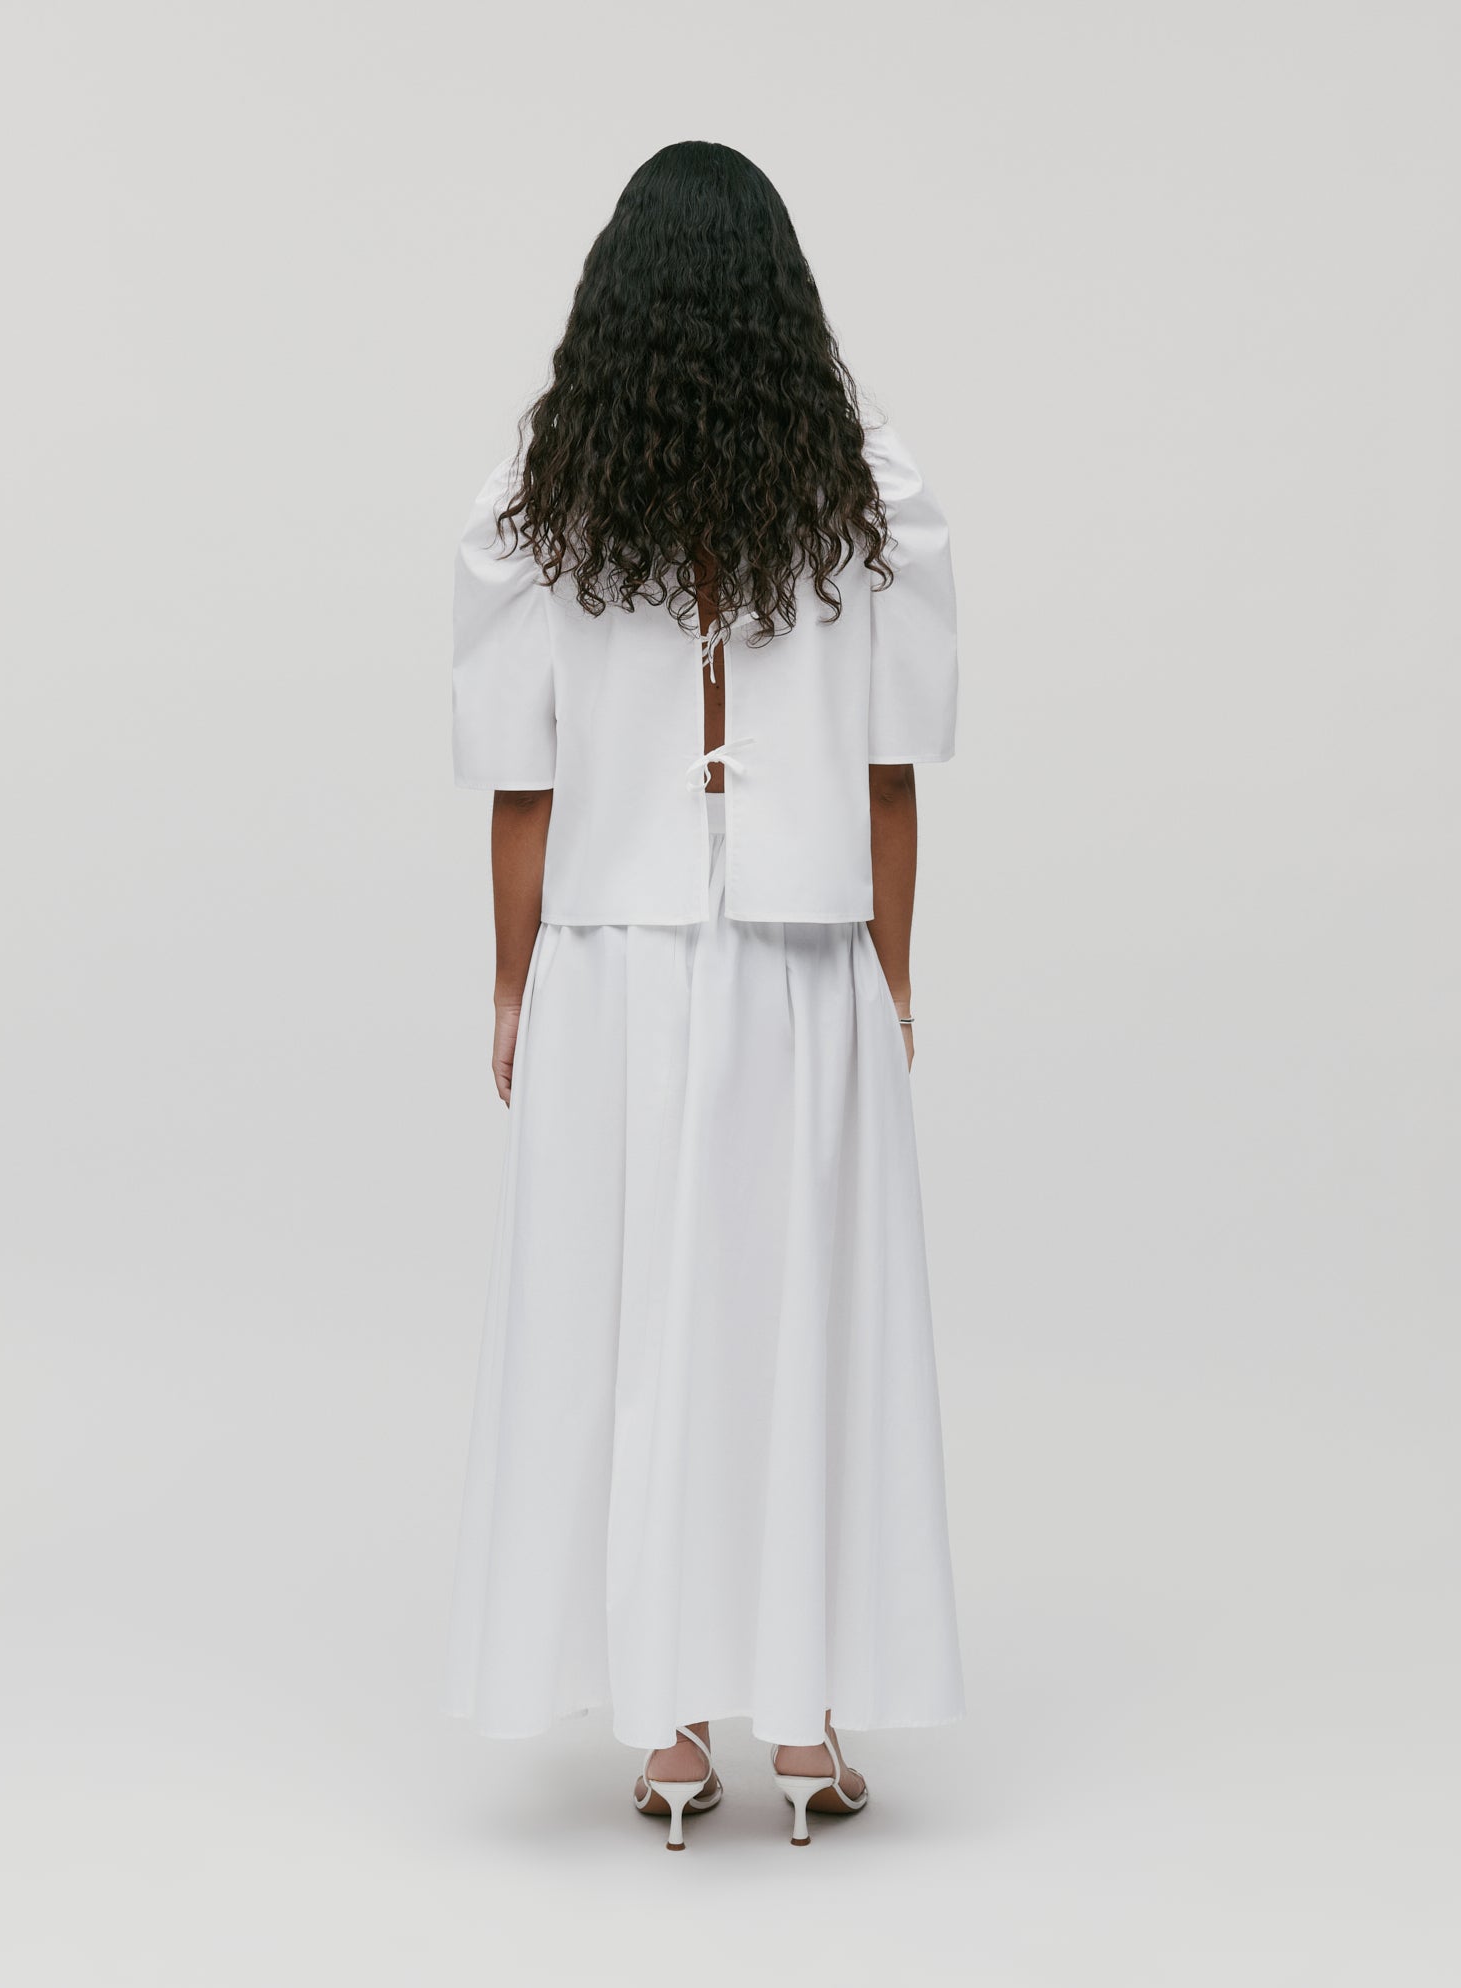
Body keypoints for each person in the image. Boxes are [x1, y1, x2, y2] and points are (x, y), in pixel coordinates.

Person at [443, 140, 963, 1850]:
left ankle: (672, 1732)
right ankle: (802, 1722)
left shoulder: (553, 492)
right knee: (801, 1313)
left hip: (617, 955)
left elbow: (522, 783)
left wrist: (509, 983)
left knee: (638, 1326)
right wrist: (896, 977)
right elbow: (891, 773)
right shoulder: (865, 487)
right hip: (806, 954)